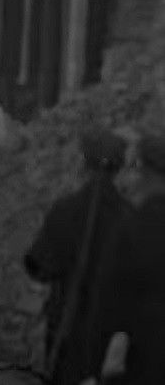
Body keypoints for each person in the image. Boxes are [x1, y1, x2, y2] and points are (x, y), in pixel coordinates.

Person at [23, 126, 131, 385]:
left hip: (66, 330)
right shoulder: (130, 217)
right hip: (109, 334)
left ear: (85, 163)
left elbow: (40, 266)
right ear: (119, 168)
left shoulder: (65, 209)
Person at [87, 132, 165, 384]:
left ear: (140, 170)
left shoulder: (132, 227)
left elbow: (108, 304)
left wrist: (94, 368)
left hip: (141, 359)